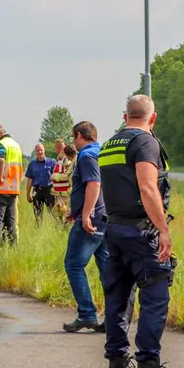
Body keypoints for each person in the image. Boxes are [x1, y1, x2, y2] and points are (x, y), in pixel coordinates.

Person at [98, 95, 184, 368]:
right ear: (153, 118)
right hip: (141, 233)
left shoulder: (110, 144)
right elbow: (148, 187)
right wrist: (163, 230)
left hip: (114, 230)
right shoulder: (145, 142)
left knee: (118, 299)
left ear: (126, 116)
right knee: (156, 295)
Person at [62, 121, 107, 333]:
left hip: (91, 221)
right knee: (108, 270)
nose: (73, 142)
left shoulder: (87, 156)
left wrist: (86, 214)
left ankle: (87, 314)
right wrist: (77, 209)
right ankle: (114, 316)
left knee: (73, 264)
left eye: (73, 138)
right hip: (107, 218)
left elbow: (94, 184)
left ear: (80, 135)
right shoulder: (104, 153)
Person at [25, 144, 56, 220]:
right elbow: (30, 179)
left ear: (44, 150)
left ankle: (55, 229)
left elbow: (56, 178)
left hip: (50, 191)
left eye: (41, 150)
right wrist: (28, 194)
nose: (39, 152)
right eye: (37, 150)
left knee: (53, 214)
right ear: (35, 152)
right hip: (37, 191)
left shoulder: (52, 162)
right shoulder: (32, 164)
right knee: (37, 215)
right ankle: (38, 230)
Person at [52, 144, 76, 218]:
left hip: (66, 194)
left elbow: (67, 175)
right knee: (58, 214)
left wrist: (55, 176)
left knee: (67, 215)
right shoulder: (58, 160)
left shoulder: (69, 161)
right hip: (60, 193)